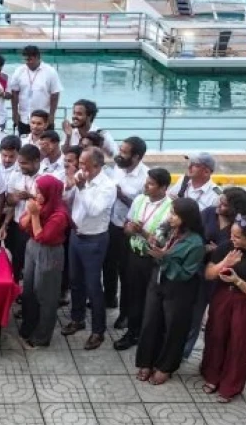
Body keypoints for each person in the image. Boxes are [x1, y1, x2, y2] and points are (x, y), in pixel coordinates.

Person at [200, 215, 246, 402]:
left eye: (238, 237)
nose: (233, 239)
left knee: (239, 344)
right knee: (216, 336)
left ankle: (230, 386)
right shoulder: (226, 247)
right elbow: (209, 274)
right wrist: (225, 263)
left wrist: (237, 280)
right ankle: (212, 376)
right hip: (223, 297)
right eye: (232, 234)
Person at [135, 198, 206, 385]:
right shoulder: (167, 230)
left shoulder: (195, 243)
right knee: (150, 322)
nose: (170, 217)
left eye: (175, 214)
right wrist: (151, 245)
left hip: (179, 289)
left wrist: (164, 258)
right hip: (157, 281)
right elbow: (155, 245)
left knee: (174, 327)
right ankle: (146, 361)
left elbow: (186, 273)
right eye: (171, 212)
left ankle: (165, 367)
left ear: (186, 218)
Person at [184, 186, 246, 360]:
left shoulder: (243, 224)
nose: (219, 205)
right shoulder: (209, 213)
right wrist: (205, 248)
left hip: (226, 277)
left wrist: (222, 251)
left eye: (224, 205)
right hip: (202, 271)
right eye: (220, 201)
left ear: (236, 209)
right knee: (194, 315)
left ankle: (214, 358)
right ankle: (184, 351)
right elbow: (192, 236)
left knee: (218, 321)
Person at [63, 147, 116, 349]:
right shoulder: (80, 176)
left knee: (93, 286)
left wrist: (82, 188)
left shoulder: (107, 186)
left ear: (96, 165)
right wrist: (70, 187)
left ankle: (98, 331)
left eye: (83, 163)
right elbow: (69, 199)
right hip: (76, 235)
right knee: (75, 281)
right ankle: (77, 319)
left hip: (94, 240)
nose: (80, 166)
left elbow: (94, 210)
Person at [114, 168, 172, 351]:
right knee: (133, 295)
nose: (146, 186)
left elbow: (163, 241)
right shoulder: (140, 199)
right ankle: (132, 332)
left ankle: (148, 335)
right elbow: (127, 225)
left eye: (151, 184)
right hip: (134, 255)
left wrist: (142, 232)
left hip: (152, 260)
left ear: (163, 188)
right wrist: (129, 229)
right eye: (146, 182)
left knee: (151, 300)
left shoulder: (170, 208)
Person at [18, 175, 70, 349]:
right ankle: (29, 325)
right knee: (29, 289)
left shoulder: (59, 214)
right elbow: (22, 224)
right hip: (32, 247)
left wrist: (34, 215)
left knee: (45, 294)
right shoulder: (39, 204)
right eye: (37, 191)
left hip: (49, 252)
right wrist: (31, 213)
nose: (37, 195)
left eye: (40, 192)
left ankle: (42, 336)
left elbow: (43, 236)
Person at [107, 136, 148, 325]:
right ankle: (109, 298)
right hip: (111, 224)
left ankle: (125, 313)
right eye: (120, 150)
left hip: (128, 230)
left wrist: (121, 196)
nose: (119, 155)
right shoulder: (118, 168)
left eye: (124, 152)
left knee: (126, 274)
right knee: (108, 266)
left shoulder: (145, 177)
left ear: (136, 157)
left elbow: (144, 207)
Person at [1, 144, 41, 283]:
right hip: (17, 224)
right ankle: (15, 287)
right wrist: (17, 197)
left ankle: (29, 290)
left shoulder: (46, 177)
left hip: (35, 227)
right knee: (15, 260)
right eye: (20, 163)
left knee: (31, 263)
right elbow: (9, 201)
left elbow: (48, 202)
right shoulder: (16, 174)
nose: (21, 166)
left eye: (24, 163)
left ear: (36, 161)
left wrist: (30, 196)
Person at [10, 45, 62, 135]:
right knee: (24, 142)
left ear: (38, 57)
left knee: (46, 142)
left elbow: (55, 94)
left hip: (44, 119)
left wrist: (52, 115)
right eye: (26, 60)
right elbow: (14, 93)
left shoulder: (50, 72)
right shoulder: (19, 71)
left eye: (30, 60)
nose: (28, 62)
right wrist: (15, 113)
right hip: (24, 118)